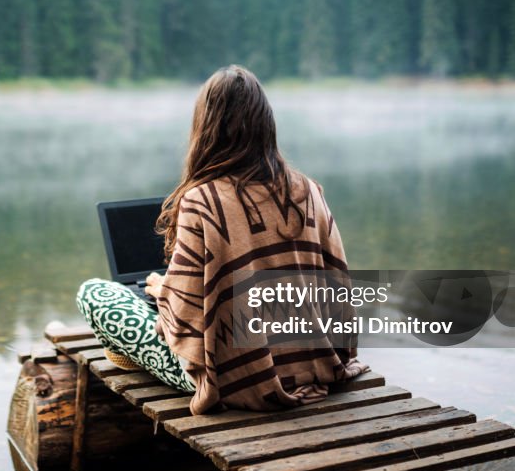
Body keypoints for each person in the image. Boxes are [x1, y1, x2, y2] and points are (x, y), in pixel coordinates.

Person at [77, 65, 367, 415]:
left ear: (205, 128)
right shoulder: (308, 190)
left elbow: (185, 320)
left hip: (233, 381)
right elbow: (338, 290)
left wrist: (165, 293)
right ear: (266, 124)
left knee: (96, 293)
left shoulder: (202, 200)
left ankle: (126, 353)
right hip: (318, 366)